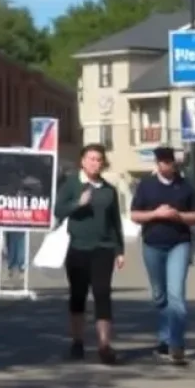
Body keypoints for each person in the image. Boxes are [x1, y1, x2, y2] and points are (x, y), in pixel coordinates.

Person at [130, 146, 195, 365]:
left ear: (174, 164)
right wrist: (156, 214)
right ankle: (164, 337)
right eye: (162, 162)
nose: (166, 166)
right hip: (153, 244)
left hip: (178, 244)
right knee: (159, 295)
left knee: (176, 294)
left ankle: (177, 343)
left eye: (169, 162)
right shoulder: (146, 186)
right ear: (157, 164)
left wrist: (178, 215)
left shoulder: (185, 186)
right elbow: (134, 214)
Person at [54, 144, 125, 364]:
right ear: (83, 161)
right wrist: (78, 203)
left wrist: (119, 250)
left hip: (103, 249)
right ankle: (77, 341)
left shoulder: (108, 189)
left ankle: (104, 345)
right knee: (78, 295)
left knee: (103, 293)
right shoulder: (72, 184)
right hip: (78, 248)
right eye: (91, 159)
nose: (95, 163)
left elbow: (115, 222)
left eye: (99, 159)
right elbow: (58, 211)